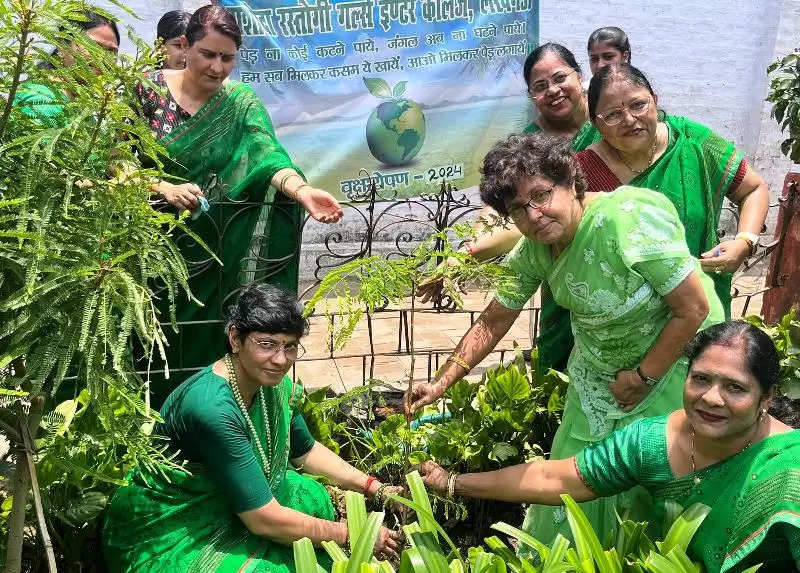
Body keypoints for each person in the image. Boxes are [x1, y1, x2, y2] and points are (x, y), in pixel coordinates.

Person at [406, 133, 724, 545]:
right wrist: (442, 381)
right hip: (600, 376)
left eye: (541, 195)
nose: (534, 214)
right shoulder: (537, 249)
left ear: (572, 184)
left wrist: (644, 377)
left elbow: (694, 309)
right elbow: (495, 319)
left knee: (656, 485)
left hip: (673, 364)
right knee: (575, 478)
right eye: (518, 208)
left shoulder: (626, 219)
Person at [417, 321, 800, 572]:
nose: (711, 399)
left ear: (767, 397)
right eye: (700, 380)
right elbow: (557, 478)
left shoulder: (788, 470)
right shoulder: (652, 442)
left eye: (734, 387)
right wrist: (454, 482)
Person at [103, 283, 403, 571]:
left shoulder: (271, 385)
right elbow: (262, 519)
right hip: (172, 526)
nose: (280, 360)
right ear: (235, 338)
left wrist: (376, 488)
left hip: (238, 502)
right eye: (267, 345)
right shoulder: (212, 409)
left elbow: (305, 450)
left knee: (311, 496)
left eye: (290, 347)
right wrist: (352, 534)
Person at [135, 6, 343, 397]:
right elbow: (114, 163)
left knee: (212, 333)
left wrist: (302, 191)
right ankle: (157, 427)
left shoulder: (240, 101)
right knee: (153, 341)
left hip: (216, 250)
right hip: (148, 247)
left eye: (227, 57)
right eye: (208, 54)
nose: (217, 67)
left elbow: (266, 155)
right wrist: (162, 186)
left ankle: (210, 416)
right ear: (186, 46)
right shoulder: (145, 90)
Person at [418, 44, 599, 373]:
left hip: (622, 264)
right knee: (562, 375)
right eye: (540, 87)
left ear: (580, 76)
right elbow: (500, 215)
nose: (553, 91)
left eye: (560, 78)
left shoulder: (609, 126)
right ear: (530, 95)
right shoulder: (529, 145)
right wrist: (465, 255)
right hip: (564, 279)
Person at [577, 64, 769, 318]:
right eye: (612, 114)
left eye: (638, 105)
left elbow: (754, 188)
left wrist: (745, 241)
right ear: (595, 123)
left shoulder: (693, 142)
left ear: (655, 100)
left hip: (698, 307)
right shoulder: (583, 170)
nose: (629, 120)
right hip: (618, 324)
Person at [15, 10, 120, 124]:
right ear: (62, 44)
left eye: (111, 52)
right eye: (93, 46)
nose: (103, 58)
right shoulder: (41, 100)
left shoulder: (82, 109)